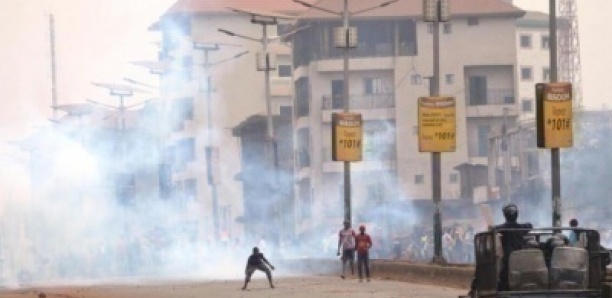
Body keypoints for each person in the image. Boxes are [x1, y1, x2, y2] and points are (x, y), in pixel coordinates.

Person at [494, 203, 533, 291]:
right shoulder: (521, 227)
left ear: (505, 215)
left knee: (502, 283)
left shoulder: (503, 228)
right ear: (516, 214)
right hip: (521, 262)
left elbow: (495, 228)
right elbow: (529, 225)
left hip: (508, 262)